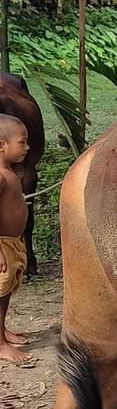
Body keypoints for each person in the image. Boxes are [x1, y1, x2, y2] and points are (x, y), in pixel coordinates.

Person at [0, 114, 32, 366]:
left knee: (6, 290)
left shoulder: (10, 172)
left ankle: (2, 331)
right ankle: (0, 344)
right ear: (1, 146)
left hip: (12, 243)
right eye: (22, 142)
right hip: (1, 246)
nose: (28, 147)